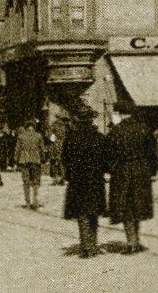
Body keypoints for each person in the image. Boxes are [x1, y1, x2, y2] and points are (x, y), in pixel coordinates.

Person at [106, 100, 155, 254]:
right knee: (138, 205)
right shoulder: (144, 129)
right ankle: (136, 240)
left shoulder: (116, 131)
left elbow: (108, 154)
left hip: (123, 172)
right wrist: (150, 171)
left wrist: (111, 169)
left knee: (126, 207)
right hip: (141, 171)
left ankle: (131, 242)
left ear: (119, 113)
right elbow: (152, 153)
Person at [60, 107, 107, 258]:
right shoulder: (99, 138)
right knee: (93, 212)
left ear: (78, 120)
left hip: (78, 180)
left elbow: (65, 159)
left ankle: (86, 245)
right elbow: (106, 161)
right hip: (95, 180)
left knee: (82, 213)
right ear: (91, 120)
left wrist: (69, 174)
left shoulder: (71, 138)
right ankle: (92, 244)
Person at [15, 119, 45, 209]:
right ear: (34, 127)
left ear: (26, 127)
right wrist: (43, 158)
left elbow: (17, 149)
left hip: (24, 160)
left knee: (26, 182)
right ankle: (35, 201)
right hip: (36, 160)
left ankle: (27, 202)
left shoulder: (21, 136)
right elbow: (42, 149)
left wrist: (16, 160)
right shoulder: (38, 136)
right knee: (36, 181)